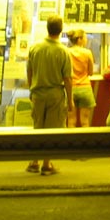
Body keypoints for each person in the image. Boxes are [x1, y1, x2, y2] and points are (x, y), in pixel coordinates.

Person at [25, 15, 74, 176]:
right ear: (60, 31)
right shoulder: (63, 51)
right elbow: (67, 78)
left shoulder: (35, 48)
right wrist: (70, 100)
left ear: (47, 28)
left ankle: (33, 161)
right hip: (55, 95)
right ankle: (47, 164)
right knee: (51, 130)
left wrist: (31, 89)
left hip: (38, 93)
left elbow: (29, 71)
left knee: (37, 128)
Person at [66, 29, 96, 127]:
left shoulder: (67, 52)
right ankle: (86, 142)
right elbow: (91, 73)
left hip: (70, 89)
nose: (86, 39)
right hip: (85, 88)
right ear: (80, 39)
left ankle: (70, 142)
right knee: (85, 120)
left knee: (71, 120)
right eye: (85, 37)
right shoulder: (87, 53)